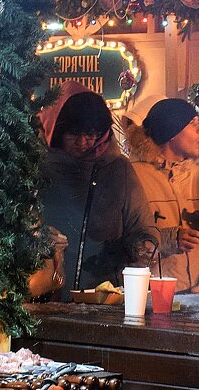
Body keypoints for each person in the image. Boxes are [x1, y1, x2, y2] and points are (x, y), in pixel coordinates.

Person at [39, 91, 157, 298]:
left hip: (105, 295)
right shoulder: (36, 168)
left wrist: (144, 245)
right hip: (45, 295)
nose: (83, 142)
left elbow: (140, 226)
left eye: (91, 134)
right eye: (74, 134)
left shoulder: (118, 169)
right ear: (57, 130)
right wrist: (38, 239)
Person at [123, 98, 199, 292]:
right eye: (192, 124)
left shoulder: (198, 175)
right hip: (159, 295)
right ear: (171, 133)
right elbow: (125, 241)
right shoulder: (133, 176)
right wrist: (170, 239)